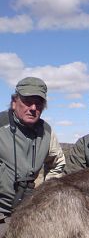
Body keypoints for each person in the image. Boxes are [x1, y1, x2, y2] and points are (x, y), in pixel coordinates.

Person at [0, 77, 66, 222]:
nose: (33, 108)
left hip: (27, 212)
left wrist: (44, 193)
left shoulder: (46, 131)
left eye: (39, 103)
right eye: (28, 101)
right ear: (14, 102)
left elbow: (57, 163)